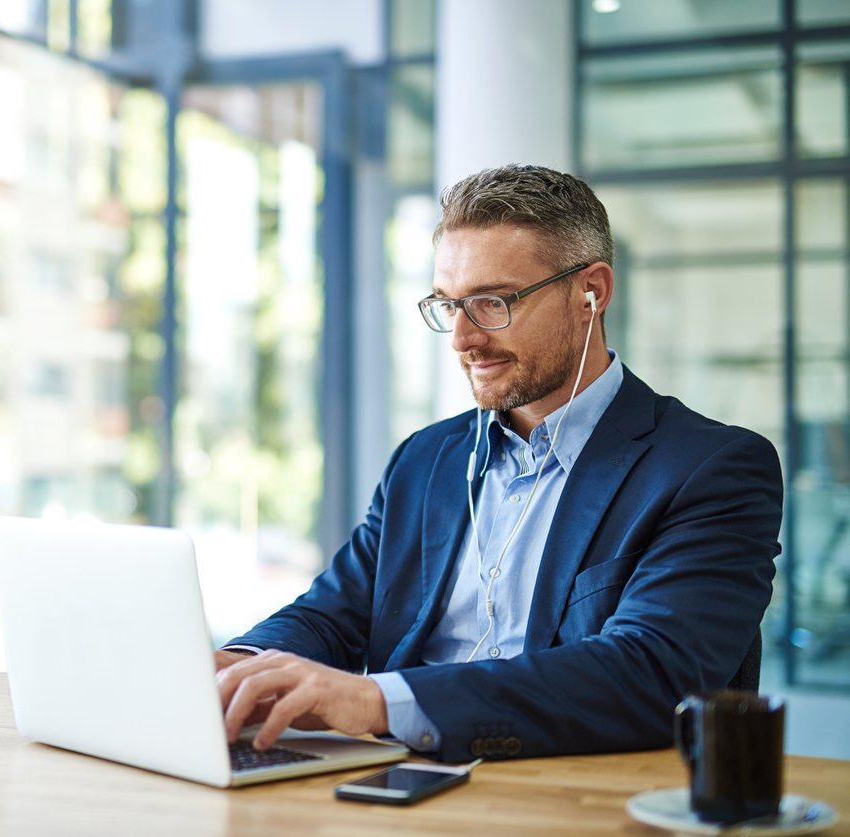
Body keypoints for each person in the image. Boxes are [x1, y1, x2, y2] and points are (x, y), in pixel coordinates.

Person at [214, 164, 783, 763]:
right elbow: (334, 614)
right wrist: (243, 667)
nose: (462, 338)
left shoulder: (713, 468)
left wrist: (379, 702)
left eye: (491, 302)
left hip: (568, 796)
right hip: (397, 784)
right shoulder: (425, 460)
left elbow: (651, 675)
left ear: (592, 291)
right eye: (447, 304)